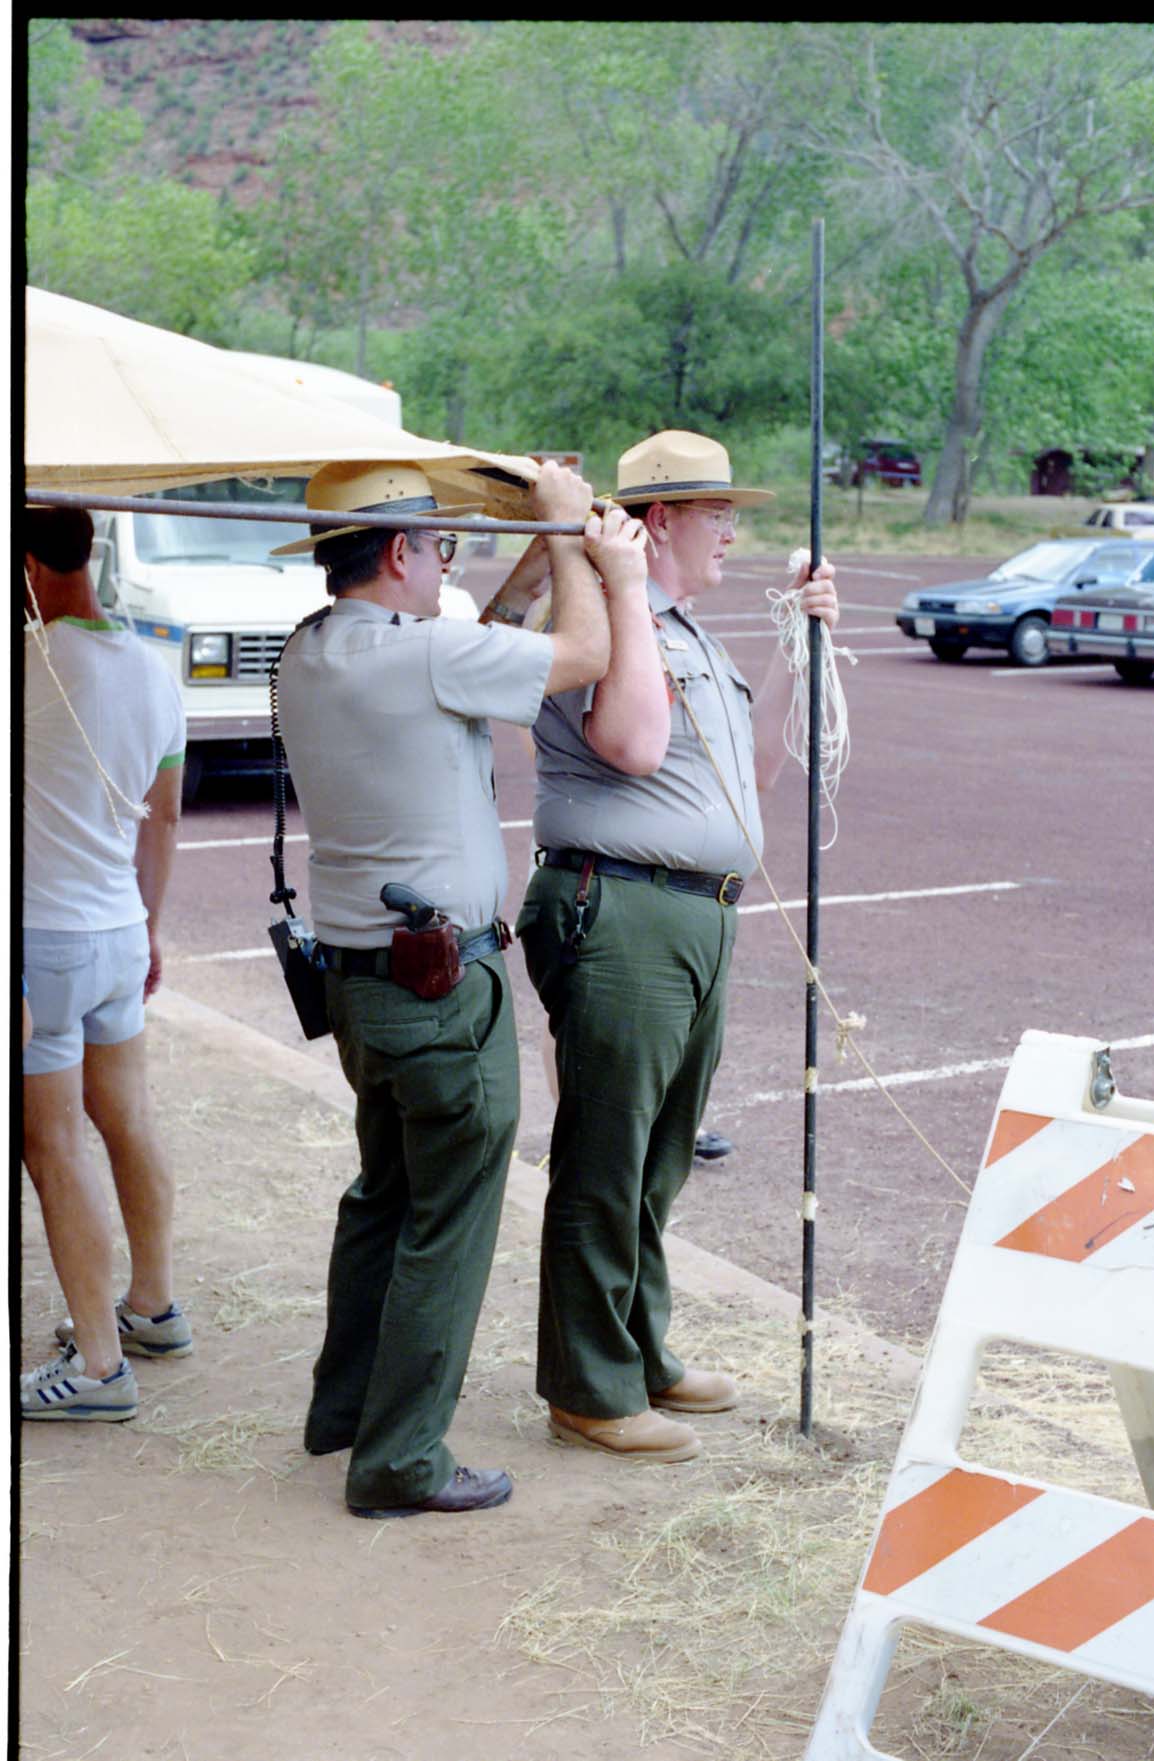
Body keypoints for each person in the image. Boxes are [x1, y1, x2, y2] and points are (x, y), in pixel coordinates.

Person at [274, 458, 647, 1518]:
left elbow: (476, 640)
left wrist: (538, 557)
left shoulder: (317, 649)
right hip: (440, 991)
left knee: (382, 1200)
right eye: (440, 547)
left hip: (361, 985)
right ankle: (401, 1460)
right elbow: (578, 653)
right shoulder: (425, 654)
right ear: (399, 553)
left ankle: (345, 1409)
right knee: (449, 1220)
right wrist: (573, 535)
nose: (449, 567)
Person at [517, 429, 839, 1463]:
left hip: (696, 909)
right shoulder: (598, 618)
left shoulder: (684, 631)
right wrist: (611, 589)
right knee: (607, 1154)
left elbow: (764, 768)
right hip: (622, 906)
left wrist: (800, 643)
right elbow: (634, 745)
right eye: (717, 515)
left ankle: (637, 1349)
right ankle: (588, 1387)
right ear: (658, 522)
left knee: (657, 1153)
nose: (735, 535)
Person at [21, 506, 191, 1423]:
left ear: (27, 565)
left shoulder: (28, 665)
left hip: (40, 940)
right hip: (120, 928)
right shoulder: (154, 671)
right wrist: (152, 926)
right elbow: (161, 819)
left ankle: (95, 1364)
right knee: (126, 1116)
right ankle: (151, 1305)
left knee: (52, 1147)